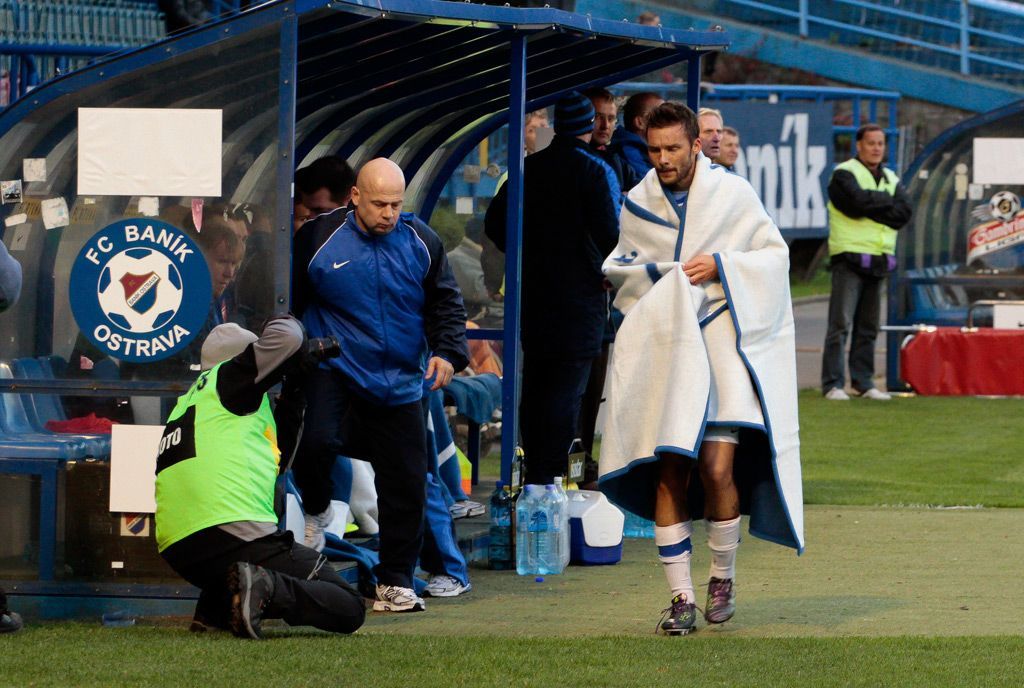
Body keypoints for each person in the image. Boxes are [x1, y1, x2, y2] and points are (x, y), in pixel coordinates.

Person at [599, 102, 803, 635]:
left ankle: (722, 578)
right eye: (654, 150)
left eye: (672, 149)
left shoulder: (734, 194)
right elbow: (623, 272)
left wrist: (722, 265)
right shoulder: (637, 201)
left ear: (695, 146)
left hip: (720, 348)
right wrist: (664, 282)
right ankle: (681, 598)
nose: (662, 159)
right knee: (669, 468)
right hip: (667, 351)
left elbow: (774, 257)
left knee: (716, 469)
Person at [291, 158, 468, 613]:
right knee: (314, 442)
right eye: (379, 204)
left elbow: (446, 303)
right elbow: (287, 299)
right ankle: (316, 508)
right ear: (355, 197)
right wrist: (297, 352)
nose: (389, 213)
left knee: (407, 482)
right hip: (336, 369)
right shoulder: (316, 237)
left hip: (401, 380)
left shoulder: (422, 242)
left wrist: (447, 352)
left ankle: (395, 582)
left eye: (396, 204)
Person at [155, 316, 365, 639]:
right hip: (233, 532)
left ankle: (215, 608)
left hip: (181, 550)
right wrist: (291, 333)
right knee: (349, 606)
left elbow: (278, 463)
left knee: (241, 566)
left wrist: (295, 385)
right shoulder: (230, 377)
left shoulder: (195, 403)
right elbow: (289, 337)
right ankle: (265, 587)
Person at [485, 91, 619, 485]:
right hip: (579, 301)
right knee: (567, 390)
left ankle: (530, 469)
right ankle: (550, 476)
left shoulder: (528, 169)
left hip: (535, 297)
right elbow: (611, 235)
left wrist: (531, 250)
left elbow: (495, 226)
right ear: (589, 126)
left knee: (538, 385)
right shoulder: (594, 171)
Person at [821, 123, 912, 401]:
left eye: (880, 143)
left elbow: (904, 212)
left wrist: (871, 206)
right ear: (858, 145)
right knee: (841, 323)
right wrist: (884, 203)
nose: (876, 148)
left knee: (868, 327)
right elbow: (854, 203)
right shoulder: (844, 174)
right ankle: (833, 383)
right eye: (871, 143)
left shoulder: (890, 177)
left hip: (880, 259)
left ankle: (863, 381)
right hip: (849, 256)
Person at [609, 91, 664, 180]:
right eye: (661, 116)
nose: (668, 121)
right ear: (640, 122)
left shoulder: (643, 148)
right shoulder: (628, 150)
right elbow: (650, 186)